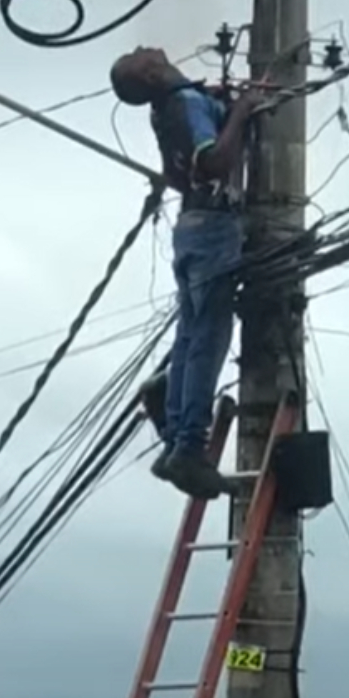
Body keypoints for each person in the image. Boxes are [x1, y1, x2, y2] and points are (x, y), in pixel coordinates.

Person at [110, 46, 263, 500]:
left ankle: (175, 421)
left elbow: (177, 177)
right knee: (209, 338)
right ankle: (188, 446)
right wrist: (241, 113)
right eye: (139, 56)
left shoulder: (170, 108)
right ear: (152, 73)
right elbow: (212, 161)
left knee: (191, 334)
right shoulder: (188, 105)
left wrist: (225, 108)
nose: (143, 47)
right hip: (214, 227)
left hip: (191, 227)